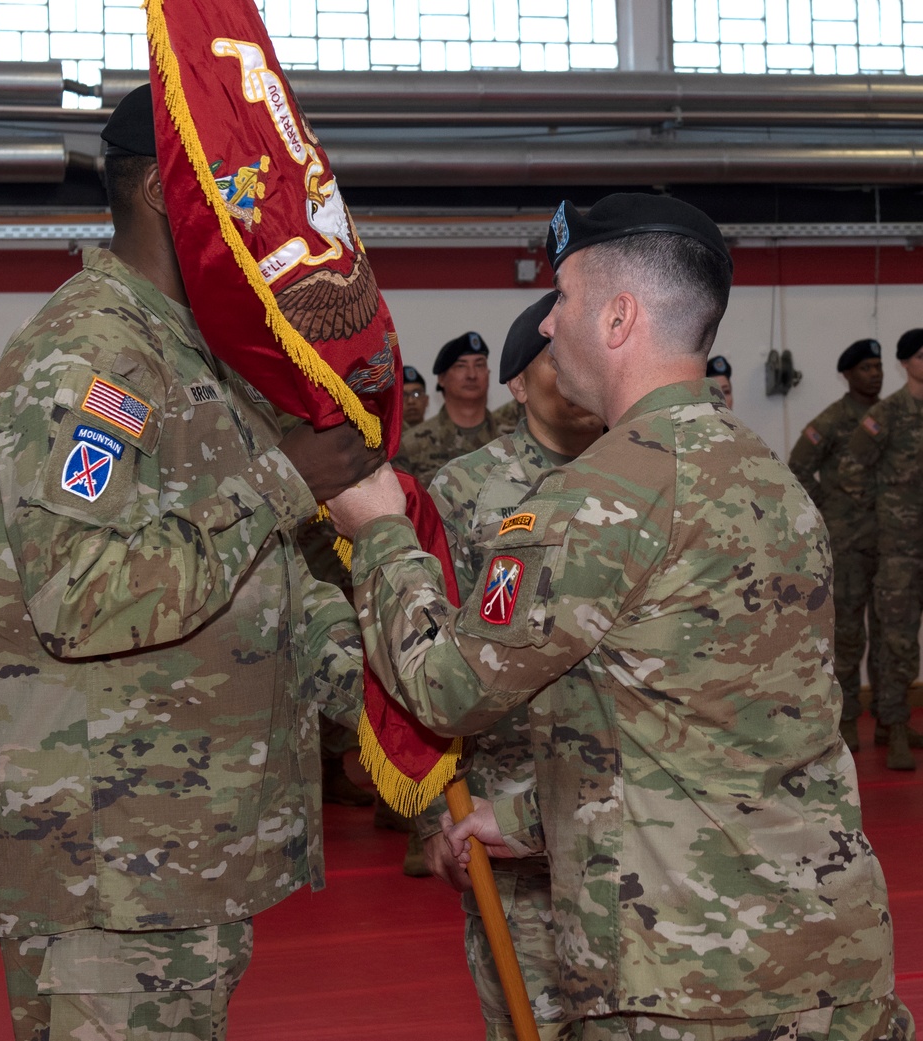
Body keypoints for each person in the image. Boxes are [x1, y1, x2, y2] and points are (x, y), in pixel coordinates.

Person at [327, 193, 911, 1039]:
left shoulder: (599, 496)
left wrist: (381, 532)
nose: (550, 325)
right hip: (828, 954)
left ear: (618, 316)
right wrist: (524, 819)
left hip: (684, 978)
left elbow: (449, 687)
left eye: (562, 298)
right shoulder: (770, 482)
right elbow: (720, 730)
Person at [0, 84, 383, 1041]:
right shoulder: (92, 354)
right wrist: (283, 479)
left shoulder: (202, 353)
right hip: (110, 859)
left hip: (181, 849)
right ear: (161, 190)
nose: (263, 215)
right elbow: (83, 595)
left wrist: (377, 696)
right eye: (240, 186)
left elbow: (265, 576)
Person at [419, 290, 604, 1040]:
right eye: (551, 361)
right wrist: (437, 809)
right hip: (512, 813)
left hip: (628, 809)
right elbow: (427, 654)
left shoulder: (637, 474)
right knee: (531, 1015)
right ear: (519, 384)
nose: (572, 372)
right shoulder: (464, 490)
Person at [787, 338, 884, 753]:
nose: (875, 374)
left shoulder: (891, 415)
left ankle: (888, 717)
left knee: (890, 632)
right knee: (847, 635)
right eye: (865, 367)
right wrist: (831, 510)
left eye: (879, 366)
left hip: (892, 542)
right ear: (847, 374)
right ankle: (845, 724)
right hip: (849, 544)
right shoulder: (832, 420)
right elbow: (799, 468)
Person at [840, 328, 923, 771]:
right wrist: (881, 517)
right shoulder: (889, 414)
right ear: (905, 363)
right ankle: (892, 728)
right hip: (899, 552)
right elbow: (852, 467)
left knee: (908, 647)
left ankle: (897, 722)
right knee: (897, 642)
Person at [393, 331, 509, 487]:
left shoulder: (511, 440)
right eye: (461, 366)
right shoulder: (410, 445)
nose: (472, 375)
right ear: (441, 379)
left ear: (488, 374)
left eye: (479, 365)